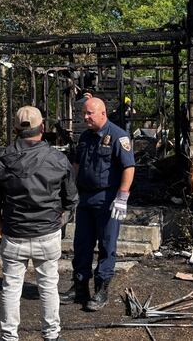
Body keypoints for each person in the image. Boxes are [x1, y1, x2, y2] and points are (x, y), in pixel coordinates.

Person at [0, 106, 78, 341]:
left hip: (14, 234)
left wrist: (1, 225)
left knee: (11, 287)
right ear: (43, 128)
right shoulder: (58, 159)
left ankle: (9, 336)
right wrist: (58, 221)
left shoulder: (2, 159)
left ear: (15, 129)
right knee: (48, 286)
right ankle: (52, 334)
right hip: (48, 234)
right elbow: (71, 199)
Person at [60, 97, 135, 311]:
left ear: (103, 113)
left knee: (106, 246)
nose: (85, 117)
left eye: (89, 113)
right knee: (81, 245)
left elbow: (128, 167)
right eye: (84, 113)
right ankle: (80, 287)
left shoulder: (119, 136)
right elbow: (75, 165)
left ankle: (101, 290)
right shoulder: (84, 137)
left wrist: (122, 197)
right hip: (85, 199)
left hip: (107, 201)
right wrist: (70, 192)